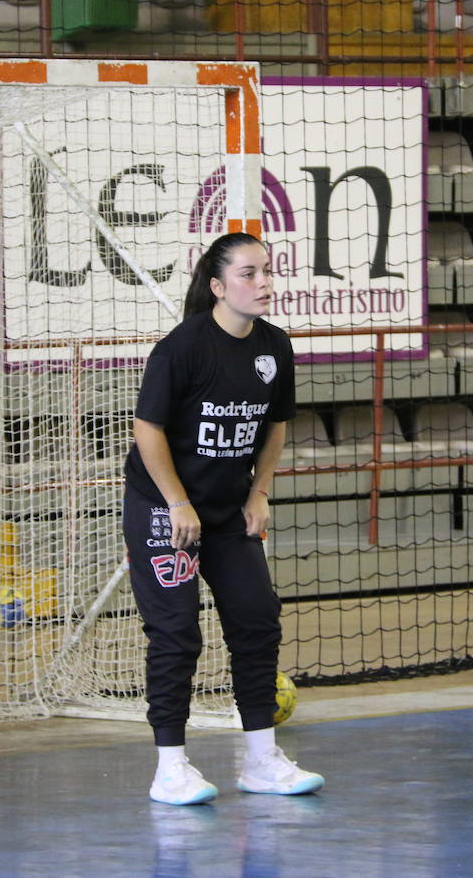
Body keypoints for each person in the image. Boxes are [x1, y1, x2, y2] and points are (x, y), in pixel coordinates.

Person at [123, 231, 324, 806]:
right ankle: (170, 769)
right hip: (165, 508)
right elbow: (148, 430)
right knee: (176, 633)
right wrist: (177, 503)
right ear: (217, 286)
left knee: (257, 618)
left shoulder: (274, 347)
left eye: (267, 272)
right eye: (248, 274)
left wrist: (259, 492)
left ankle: (261, 760)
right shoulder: (182, 348)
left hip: (228, 511)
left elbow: (275, 423)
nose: (263, 284)